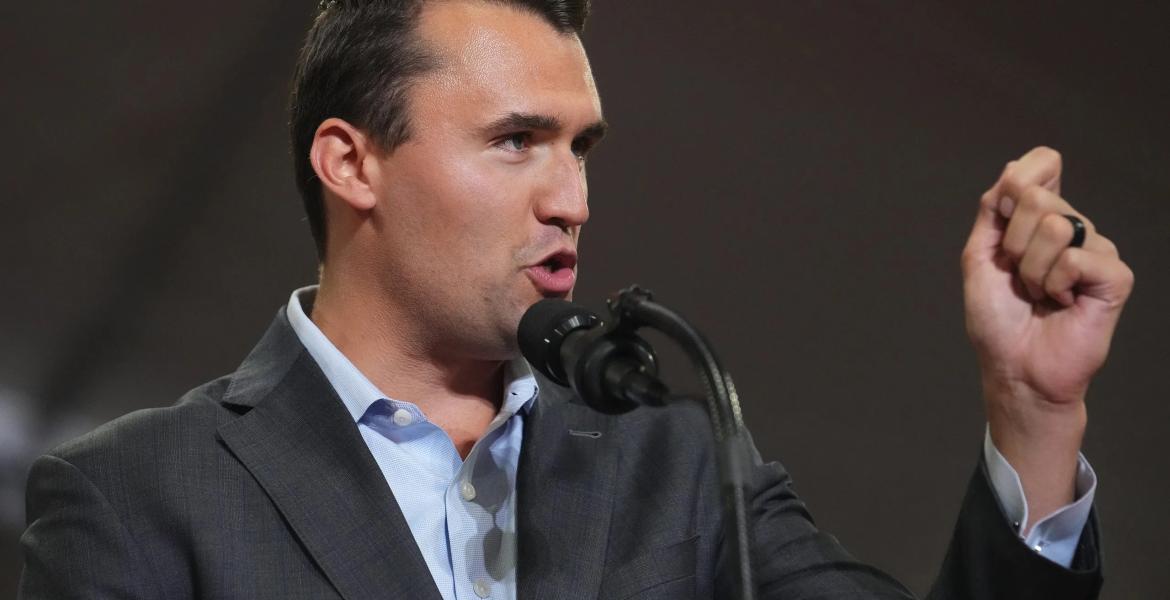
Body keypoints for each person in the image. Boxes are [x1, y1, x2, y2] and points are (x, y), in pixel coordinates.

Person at [18, 1, 1134, 598]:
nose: (574, 198)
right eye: (516, 143)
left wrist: (1033, 411)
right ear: (352, 163)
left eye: (582, 148)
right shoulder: (136, 496)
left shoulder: (675, 466)